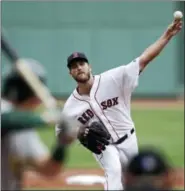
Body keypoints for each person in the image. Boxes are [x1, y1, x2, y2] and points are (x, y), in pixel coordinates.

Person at [55, 18, 182, 190]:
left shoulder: (113, 79)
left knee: (136, 177)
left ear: (89, 66)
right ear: (70, 73)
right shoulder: (71, 106)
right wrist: (79, 131)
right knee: (114, 170)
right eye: (74, 66)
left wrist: (167, 36)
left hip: (129, 139)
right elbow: (61, 133)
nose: (78, 68)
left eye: (81, 63)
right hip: (103, 146)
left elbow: (144, 60)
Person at [1, 58, 77, 190]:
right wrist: (48, 119)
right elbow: (6, 121)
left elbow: (49, 169)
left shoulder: (24, 128)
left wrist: (62, 144)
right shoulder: (8, 114)